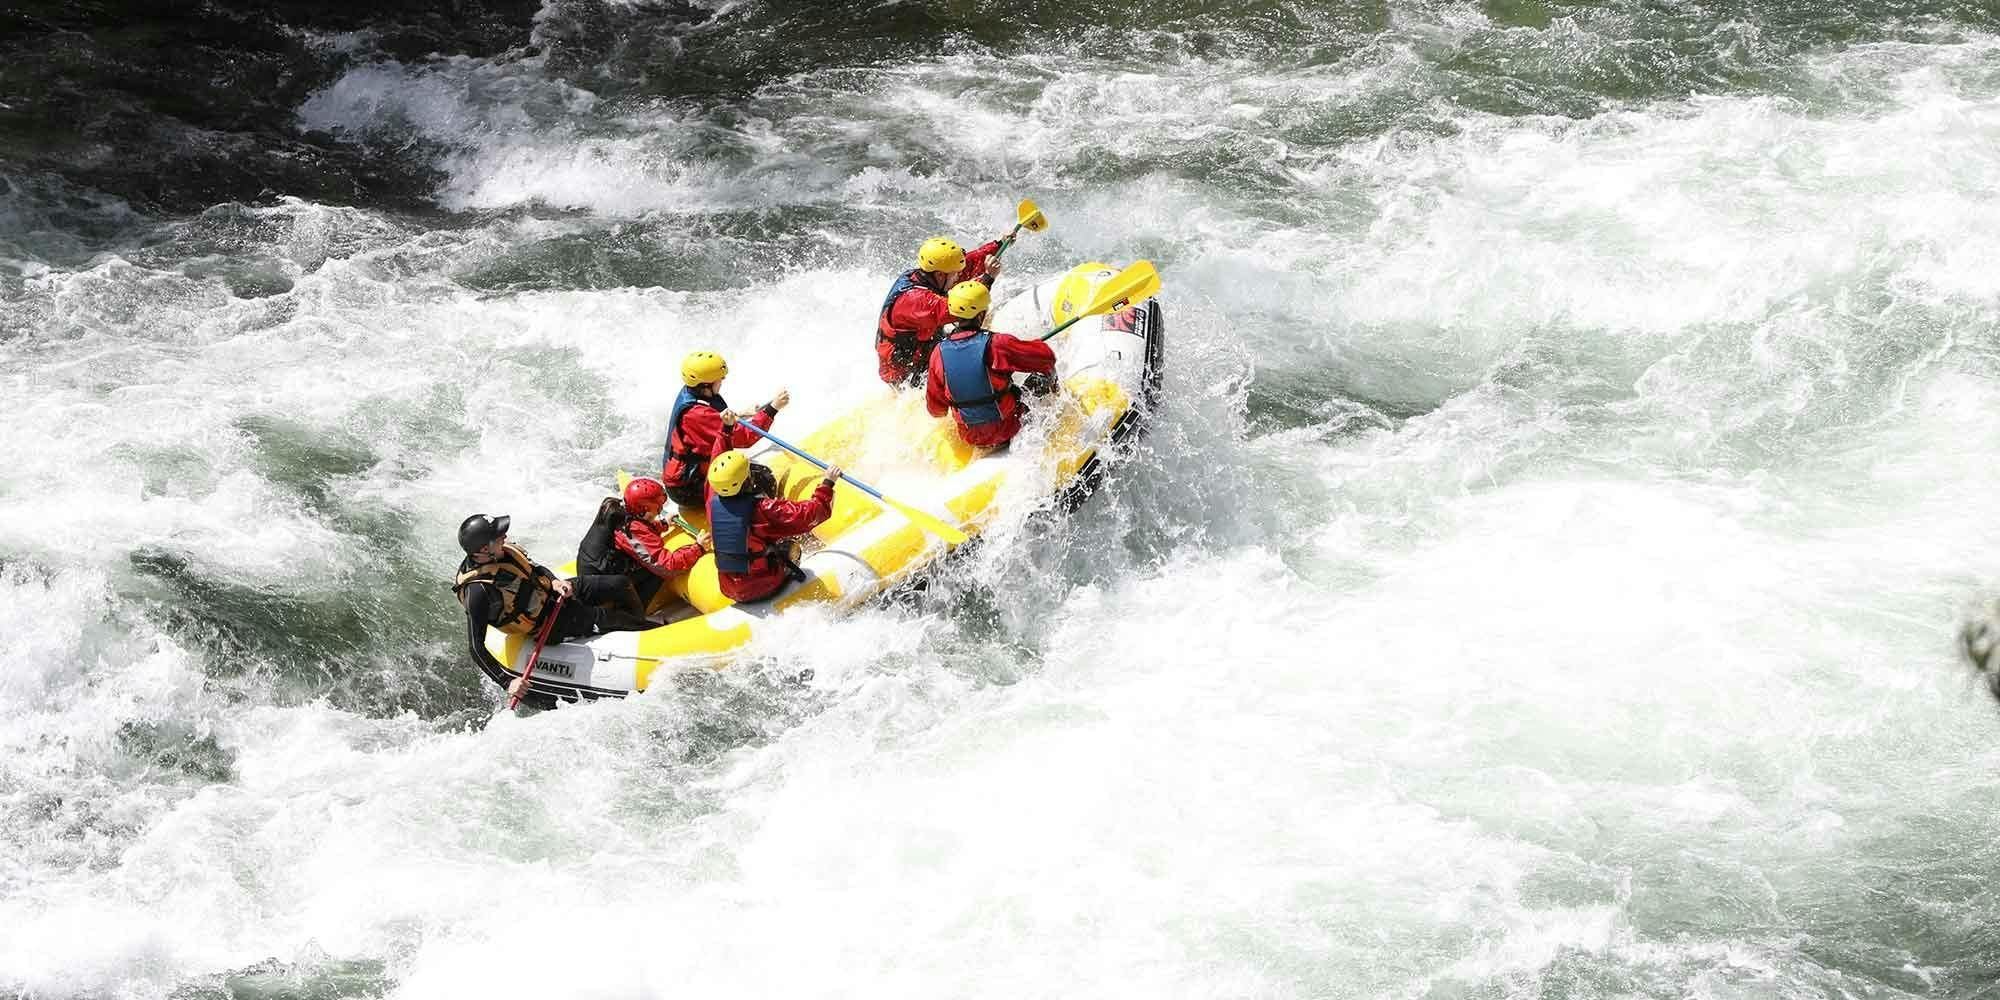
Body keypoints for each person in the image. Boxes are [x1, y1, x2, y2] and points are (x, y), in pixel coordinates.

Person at [453, 513, 652, 706]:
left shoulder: (502, 552)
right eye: (498, 536)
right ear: (483, 549)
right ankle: (646, 628)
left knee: (620, 583)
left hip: (556, 593)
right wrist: (507, 682)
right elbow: (475, 647)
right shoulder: (478, 591)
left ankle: (639, 617)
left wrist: (555, 581)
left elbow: (535, 568)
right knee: (609, 617)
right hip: (551, 622)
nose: (504, 536)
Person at [925, 280, 1059, 449]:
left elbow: (936, 409)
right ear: (981, 315)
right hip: (1009, 427)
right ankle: (1059, 414)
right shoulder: (997, 343)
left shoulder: (938, 352)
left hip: (970, 436)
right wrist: (1027, 345)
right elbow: (1047, 358)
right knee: (1044, 373)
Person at [705, 450, 841, 604]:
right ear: (747, 480)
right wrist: (828, 483)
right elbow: (812, 513)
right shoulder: (764, 509)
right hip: (763, 585)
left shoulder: (712, 505)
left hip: (728, 586)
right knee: (791, 547)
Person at [661, 350, 789, 513]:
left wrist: (741, 413)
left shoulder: (694, 393)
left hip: (693, 475)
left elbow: (715, 418)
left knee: (751, 472)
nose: (722, 381)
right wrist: (772, 409)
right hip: (687, 488)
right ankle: (762, 527)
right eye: (719, 379)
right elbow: (744, 437)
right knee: (763, 478)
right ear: (705, 385)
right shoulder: (696, 414)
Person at [875, 235, 1005, 386]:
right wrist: (988, 278)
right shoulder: (917, 300)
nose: (958, 277)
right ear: (939, 275)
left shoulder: (924, 276)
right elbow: (965, 308)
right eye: (955, 273)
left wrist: (998, 245)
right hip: (906, 373)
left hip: (923, 346)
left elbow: (965, 266)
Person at [575, 476, 709, 613]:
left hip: (596, 568)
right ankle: (631, 614)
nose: (660, 510)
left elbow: (638, 532)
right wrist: (698, 548)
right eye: (658, 508)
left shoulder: (621, 509)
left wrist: (663, 525)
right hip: (600, 583)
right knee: (655, 573)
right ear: (643, 509)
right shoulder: (630, 527)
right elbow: (666, 566)